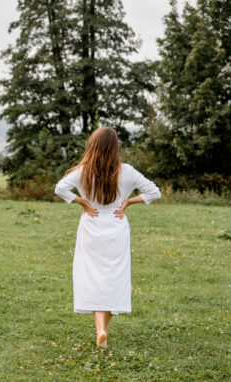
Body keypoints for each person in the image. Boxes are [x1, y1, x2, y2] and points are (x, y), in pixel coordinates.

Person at [54, 126, 161, 349]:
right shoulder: (127, 171)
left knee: (93, 276)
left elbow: (60, 188)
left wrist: (82, 201)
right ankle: (104, 330)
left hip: (91, 225)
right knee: (113, 278)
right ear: (115, 148)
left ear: (92, 145)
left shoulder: (83, 170)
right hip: (116, 224)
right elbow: (154, 192)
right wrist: (128, 202)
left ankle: (100, 330)